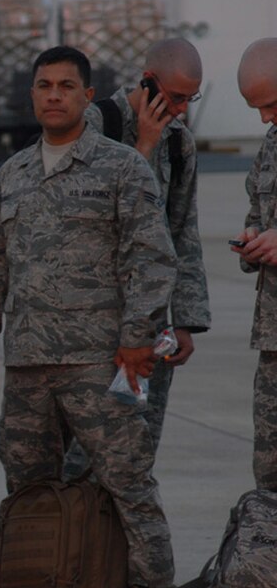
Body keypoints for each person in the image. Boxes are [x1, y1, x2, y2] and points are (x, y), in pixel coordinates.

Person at [0, 46, 178, 588]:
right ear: (33, 96)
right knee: (27, 484)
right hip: (28, 365)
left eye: (66, 86)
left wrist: (137, 341)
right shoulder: (13, 175)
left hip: (103, 361)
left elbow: (153, 260)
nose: (54, 95)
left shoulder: (121, 168)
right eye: (44, 85)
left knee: (127, 479)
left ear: (87, 97)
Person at [62, 38, 211, 479]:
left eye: (190, 98)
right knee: (80, 454)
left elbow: (183, 232)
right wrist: (142, 149)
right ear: (148, 81)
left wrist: (185, 318)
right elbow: (85, 218)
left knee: (136, 450)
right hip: (90, 321)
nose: (182, 109)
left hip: (149, 319)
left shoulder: (180, 143)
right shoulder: (93, 124)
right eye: (176, 96)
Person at [232, 38, 277, 491]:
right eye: (256, 109)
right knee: (270, 478)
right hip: (273, 339)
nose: (265, 118)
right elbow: (256, 217)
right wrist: (251, 241)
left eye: (271, 104)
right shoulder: (271, 146)